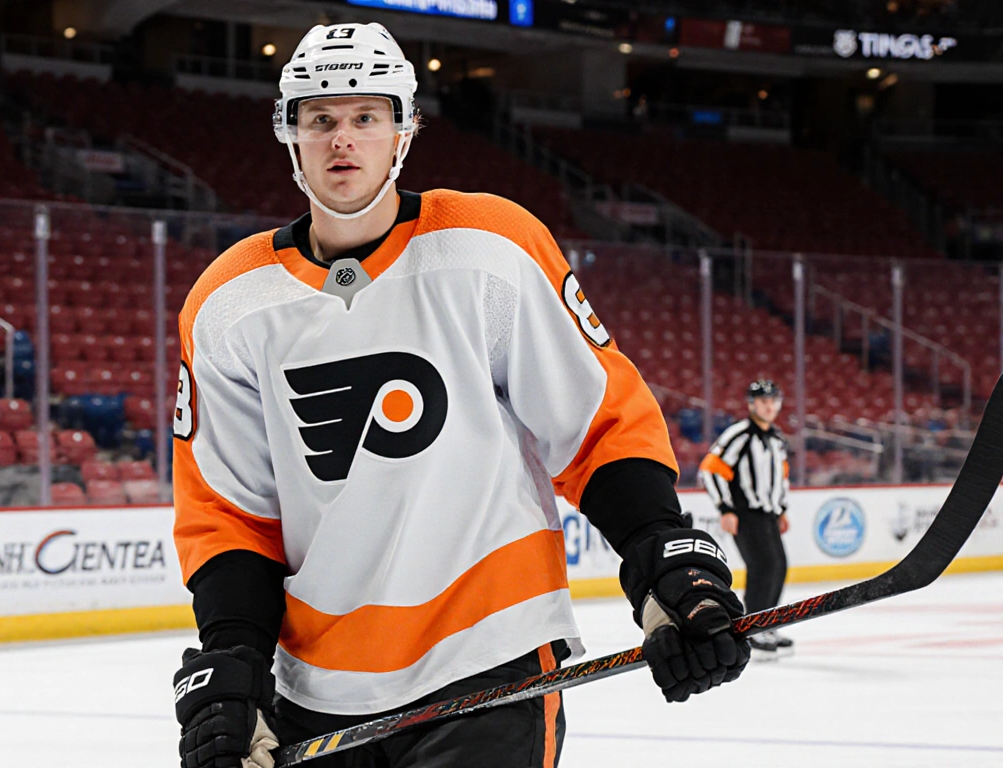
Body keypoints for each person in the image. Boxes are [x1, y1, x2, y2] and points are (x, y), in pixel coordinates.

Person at [170, 22, 750, 768]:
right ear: (289, 132)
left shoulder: (488, 245)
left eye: (366, 116)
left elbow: (595, 423)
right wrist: (233, 662)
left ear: (404, 129)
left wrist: (659, 555)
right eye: (320, 118)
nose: (342, 139)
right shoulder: (227, 303)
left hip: (490, 662)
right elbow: (230, 514)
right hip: (316, 688)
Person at [698, 379, 794, 659]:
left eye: (773, 401)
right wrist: (725, 508)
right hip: (745, 513)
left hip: (768, 514)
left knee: (778, 566)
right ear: (752, 405)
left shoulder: (776, 439)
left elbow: (781, 476)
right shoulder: (739, 434)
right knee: (763, 566)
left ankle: (768, 623)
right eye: (763, 401)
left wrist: (781, 509)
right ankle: (753, 628)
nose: (769, 406)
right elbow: (710, 469)